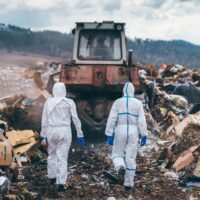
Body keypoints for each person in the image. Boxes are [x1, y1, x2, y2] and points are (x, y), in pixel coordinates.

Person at [40, 82, 84, 192]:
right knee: (62, 157)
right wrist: (80, 134)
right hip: (65, 131)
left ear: (54, 90)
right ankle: (61, 184)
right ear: (64, 90)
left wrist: (43, 134)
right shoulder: (69, 102)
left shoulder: (48, 102)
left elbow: (44, 120)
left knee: (52, 154)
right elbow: (75, 119)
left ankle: (52, 177)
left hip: (52, 131)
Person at [105, 82, 148, 191]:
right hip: (133, 132)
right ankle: (128, 185)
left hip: (120, 130)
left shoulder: (118, 102)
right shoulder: (138, 103)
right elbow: (142, 120)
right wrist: (144, 135)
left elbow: (112, 119)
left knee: (117, 154)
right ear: (133, 91)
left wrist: (109, 133)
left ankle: (120, 167)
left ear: (123, 91)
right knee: (130, 158)